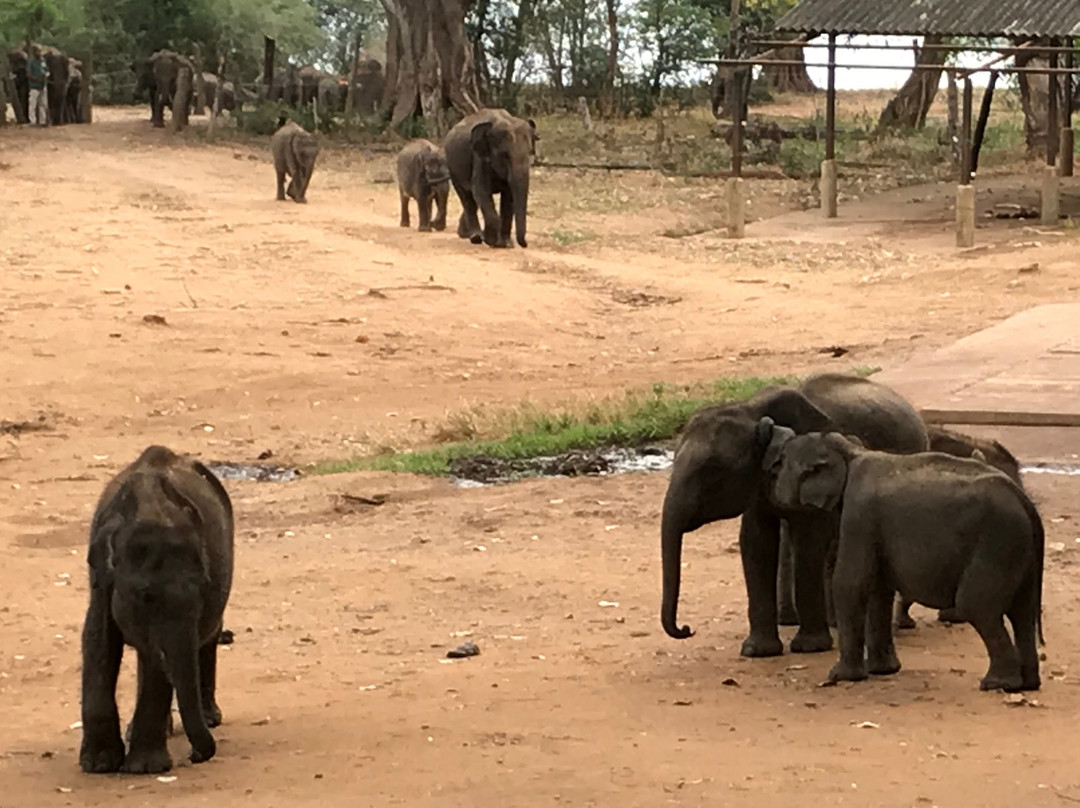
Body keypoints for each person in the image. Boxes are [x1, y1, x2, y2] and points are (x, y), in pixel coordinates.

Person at [26, 46, 48, 126]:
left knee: (43, 104)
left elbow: (46, 71)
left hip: (42, 85)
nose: (39, 53)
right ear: (34, 52)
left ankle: (43, 121)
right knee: (33, 104)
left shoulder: (42, 61)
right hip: (34, 86)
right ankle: (32, 121)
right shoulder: (31, 62)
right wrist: (35, 79)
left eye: (40, 51)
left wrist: (45, 77)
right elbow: (28, 74)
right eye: (37, 51)